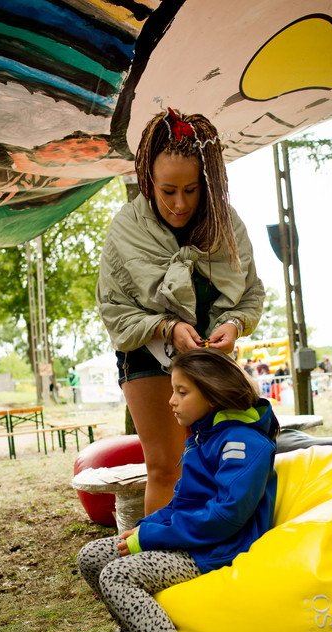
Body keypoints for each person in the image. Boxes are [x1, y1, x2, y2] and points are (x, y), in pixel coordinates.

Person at [78, 348, 279, 632]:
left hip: (218, 549)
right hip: (191, 539)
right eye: (173, 390)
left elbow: (226, 517)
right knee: (92, 556)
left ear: (214, 392)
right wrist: (143, 529)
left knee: (117, 576)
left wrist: (152, 536)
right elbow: (184, 503)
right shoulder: (204, 436)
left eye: (182, 391)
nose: (171, 400)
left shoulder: (242, 443)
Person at [97, 108, 265, 515]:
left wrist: (234, 322)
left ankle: (213, 553)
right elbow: (114, 310)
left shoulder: (227, 223)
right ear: (147, 180)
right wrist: (166, 327)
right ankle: (159, 566)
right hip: (148, 354)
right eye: (167, 190)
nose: (179, 204)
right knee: (167, 467)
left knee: (228, 458)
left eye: (191, 190)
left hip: (212, 357)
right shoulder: (125, 228)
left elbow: (253, 292)